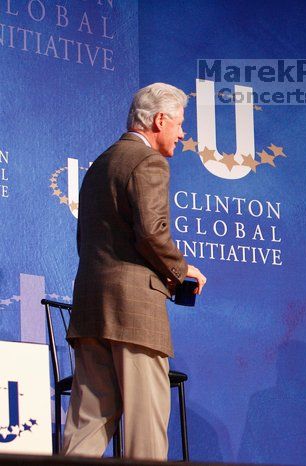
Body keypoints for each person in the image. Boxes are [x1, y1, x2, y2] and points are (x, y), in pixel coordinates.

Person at [62, 83, 207, 460]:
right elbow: (151, 231)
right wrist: (181, 269)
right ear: (159, 120)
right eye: (179, 123)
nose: (182, 133)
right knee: (146, 432)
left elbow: (87, 239)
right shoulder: (148, 162)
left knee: (87, 427)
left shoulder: (100, 165)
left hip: (92, 310)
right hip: (134, 313)